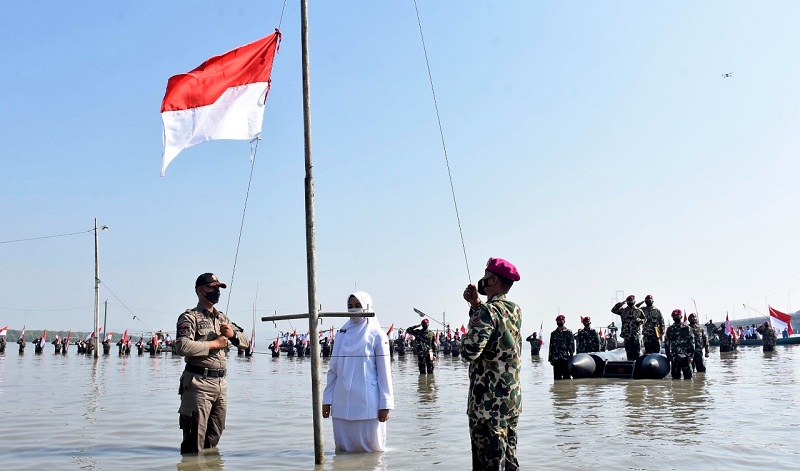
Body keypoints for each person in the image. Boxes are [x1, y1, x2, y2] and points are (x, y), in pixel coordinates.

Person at [174, 273, 249, 454]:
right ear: (200, 291)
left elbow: (245, 342)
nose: (216, 291)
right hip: (198, 383)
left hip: (220, 385)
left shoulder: (223, 318)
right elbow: (182, 346)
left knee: (215, 435)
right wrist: (214, 344)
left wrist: (232, 335)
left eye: (218, 288)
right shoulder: (190, 317)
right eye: (212, 287)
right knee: (194, 441)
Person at [461, 257, 522, 471]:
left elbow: (470, 351)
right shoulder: (514, 310)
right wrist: (476, 305)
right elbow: (497, 334)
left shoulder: (487, 312)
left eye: (486, 278)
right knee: (509, 461)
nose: (483, 281)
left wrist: (476, 314)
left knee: (488, 465)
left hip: (487, 404)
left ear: (494, 279)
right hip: (510, 401)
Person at [322, 291, 393, 453]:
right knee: (342, 452)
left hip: (368, 405)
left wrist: (386, 404)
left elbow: (384, 373)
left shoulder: (377, 335)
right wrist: (327, 400)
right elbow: (333, 370)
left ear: (367, 307)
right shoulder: (341, 334)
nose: (353, 310)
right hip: (341, 404)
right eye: (350, 307)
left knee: (372, 453)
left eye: (357, 306)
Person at [611, 295, 645, 360]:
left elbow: (644, 319)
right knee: (629, 353)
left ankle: (636, 368)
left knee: (636, 353)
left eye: (631, 301)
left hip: (635, 335)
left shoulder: (638, 311)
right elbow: (613, 310)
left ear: (634, 301)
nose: (630, 302)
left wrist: (640, 321)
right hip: (627, 335)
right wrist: (621, 303)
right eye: (628, 301)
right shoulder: (623, 311)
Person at [664, 309, 695, 379]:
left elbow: (692, 342)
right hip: (675, 358)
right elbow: (667, 343)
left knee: (688, 379)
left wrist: (691, 356)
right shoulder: (670, 329)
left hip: (686, 357)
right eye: (674, 316)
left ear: (681, 316)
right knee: (675, 379)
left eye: (677, 316)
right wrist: (668, 356)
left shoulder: (687, 329)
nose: (676, 318)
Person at [548, 315, 574, 380]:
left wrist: (571, 355)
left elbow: (571, 345)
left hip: (565, 359)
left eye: (561, 321)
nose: (559, 322)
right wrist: (550, 358)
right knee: (557, 379)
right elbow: (551, 346)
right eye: (558, 321)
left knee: (566, 379)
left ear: (564, 321)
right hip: (556, 359)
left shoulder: (568, 332)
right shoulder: (553, 333)